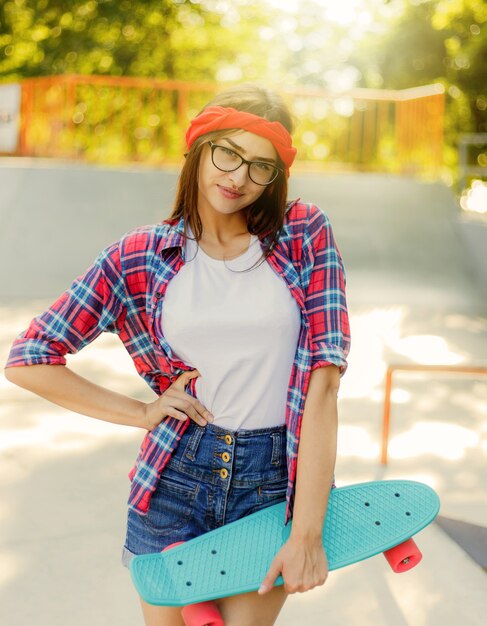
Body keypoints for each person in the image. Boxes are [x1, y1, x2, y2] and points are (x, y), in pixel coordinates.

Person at [4, 84, 351, 626]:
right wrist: (141, 413)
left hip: (271, 485)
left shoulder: (304, 234)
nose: (239, 178)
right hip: (174, 481)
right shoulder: (140, 254)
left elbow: (323, 385)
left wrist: (307, 532)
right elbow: (30, 357)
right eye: (228, 154)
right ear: (198, 148)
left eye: (261, 166)